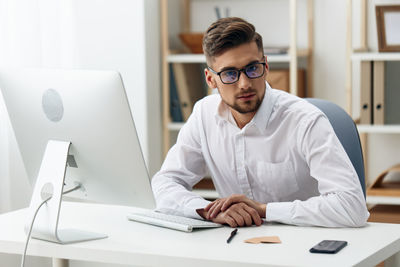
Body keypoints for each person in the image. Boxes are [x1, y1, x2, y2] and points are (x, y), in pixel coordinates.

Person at [152, 17, 369, 228]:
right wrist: (210, 211)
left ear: (265, 66)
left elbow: (352, 207)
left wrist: (263, 210)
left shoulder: (306, 121)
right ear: (211, 79)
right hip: (238, 245)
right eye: (229, 74)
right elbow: (165, 183)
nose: (245, 84)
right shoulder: (203, 115)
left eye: (252, 68)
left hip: (305, 245)